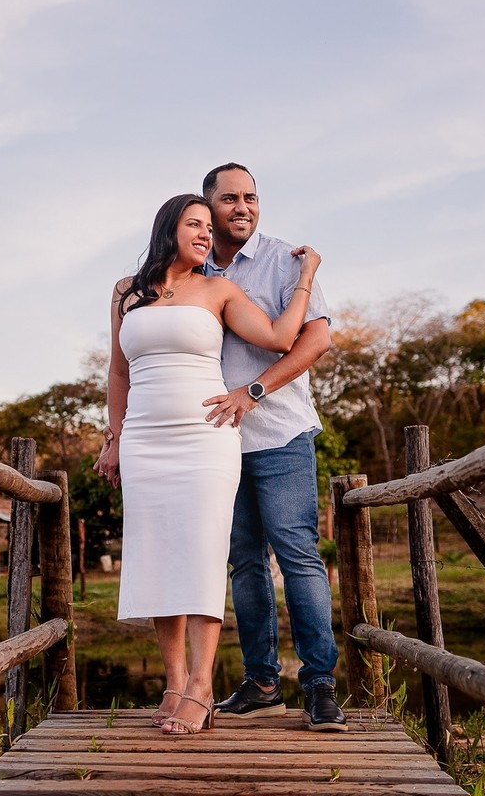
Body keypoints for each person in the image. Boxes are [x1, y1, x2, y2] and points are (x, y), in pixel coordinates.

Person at [94, 193, 322, 735]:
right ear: (168, 228)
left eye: (207, 226)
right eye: (194, 224)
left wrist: (307, 274)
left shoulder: (220, 289)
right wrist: (115, 438)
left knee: (200, 556)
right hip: (146, 440)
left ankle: (201, 685)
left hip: (206, 437)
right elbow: (119, 372)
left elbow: (280, 337)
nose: (204, 233)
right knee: (155, 558)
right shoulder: (125, 292)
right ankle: (173, 683)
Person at [199, 163, 346, 732]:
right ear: (208, 205)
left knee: (299, 558)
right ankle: (261, 683)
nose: (243, 207)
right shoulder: (194, 266)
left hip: (280, 433)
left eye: (251, 198)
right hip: (216, 443)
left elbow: (318, 337)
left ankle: (319, 686)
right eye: (230, 198)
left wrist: (254, 391)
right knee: (243, 564)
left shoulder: (284, 259)